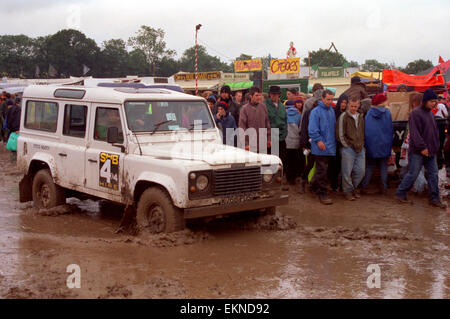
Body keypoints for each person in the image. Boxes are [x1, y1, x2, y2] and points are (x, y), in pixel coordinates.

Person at [395, 89, 446, 208]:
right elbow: (415, 133)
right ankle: (400, 194)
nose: (434, 103)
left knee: (433, 175)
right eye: (432, 101)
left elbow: (433, 132)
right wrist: (422, 147)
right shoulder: (415, 114)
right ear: (425, 101)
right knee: (413, 174)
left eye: (435, 101)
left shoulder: (430, 114)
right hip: (418, 151)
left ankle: (434, 198)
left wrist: (435, 147)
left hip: (431, 151)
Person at [308, 90, 337, 205]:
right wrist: (319, 140)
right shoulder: (315, 112)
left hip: (330, 146)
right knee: (322, 171)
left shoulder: (331, 111)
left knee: (322, 170)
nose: (330, 101)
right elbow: (312, 129)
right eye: (328, 99)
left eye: (331, 99)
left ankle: (312, 185)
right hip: (320, 146)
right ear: (323, 98)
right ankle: (322, 193)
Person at [360, 93, 393, 195]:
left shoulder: (369, 113)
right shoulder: (387, 113)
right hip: (384, 144)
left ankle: (364, 186)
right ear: (382, 102)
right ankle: (384, 187)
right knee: (383, 166)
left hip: (372, 145)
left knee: (369, 166)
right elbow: (390, 130)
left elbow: (367, 131)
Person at [336, 96, 365, 200]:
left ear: (358, 106)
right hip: (348, 148)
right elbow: (340, 134)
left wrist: (362, 143)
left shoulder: (361, 116)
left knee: (361, 171)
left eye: (355, 106)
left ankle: (353, 188)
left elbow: (362, 131)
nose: (353, 108)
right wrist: (346, 145)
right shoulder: (343, 116)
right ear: (348, 105)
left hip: (359, 147)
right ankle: (348, 191)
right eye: (351, 106)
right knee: (346, 171)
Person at [265, 85, 288, 188]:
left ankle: (280, 179)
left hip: (282, 136)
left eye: (277, 94)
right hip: (271, 135)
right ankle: (270, 181)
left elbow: (285, 122)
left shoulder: (282, 106)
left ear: (279, 95)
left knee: (282, 159)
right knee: (271, 160)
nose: (275, 96)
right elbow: (265, 122)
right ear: (270, 95)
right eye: (273, 94)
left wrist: (284, 133)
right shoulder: (264, 105)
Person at [239, 86, 271, 153]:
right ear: (251, 96)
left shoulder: (263, 107)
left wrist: (269, 139)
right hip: (250, 145)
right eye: (256, 95)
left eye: (259, 95)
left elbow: (267, 124)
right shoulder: (244, 109)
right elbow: (242, 127)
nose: (258, 97)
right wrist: (246, 143)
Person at [285, 99, 303, 185]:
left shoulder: (284, 115)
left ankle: (288, 177)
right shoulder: (299, 115)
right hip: (296, 141)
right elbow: (300, 129)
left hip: (287, 141)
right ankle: (294, 178)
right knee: (295, 161)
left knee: (288, 160)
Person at [6, 98, 21, 162]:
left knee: (13, 146)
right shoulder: (18, 109)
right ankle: (15, 161)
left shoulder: (10, 108)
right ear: (19, 102)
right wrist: (16, 129)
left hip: (11, 129)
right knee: (17, 146)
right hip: (16, 130)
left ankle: (12, 161)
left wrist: (10, 128)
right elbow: (17, 119)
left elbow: (8, 119)